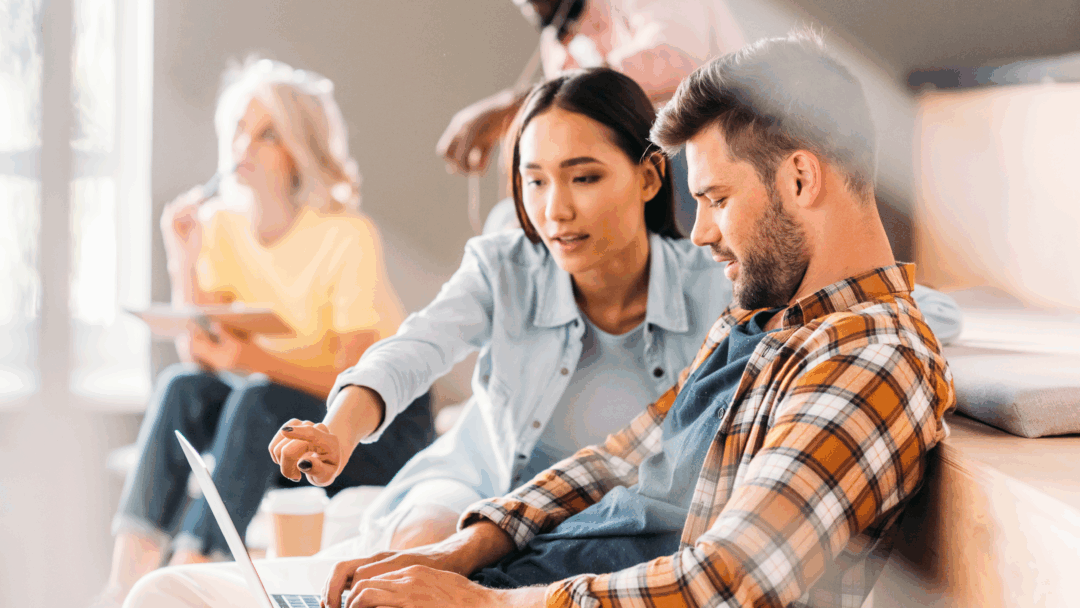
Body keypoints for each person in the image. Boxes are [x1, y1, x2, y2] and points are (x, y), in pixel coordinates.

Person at [123, 61, 960, 607]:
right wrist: (468, 549)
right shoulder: (763, 318)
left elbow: (728, 581)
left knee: (176, 601)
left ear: (802, 177)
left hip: (526, 598)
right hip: (516, 566)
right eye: (534, 182)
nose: (700, 233)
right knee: (172, 593)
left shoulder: (868, 358)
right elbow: (622, 454)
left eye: (716, 201)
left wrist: (483, 601)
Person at [95, 58, 434, 607]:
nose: (243, 146)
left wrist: (252, 358)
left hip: (373, 426)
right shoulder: (222, 229)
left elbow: (352, 380)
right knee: (182, 386)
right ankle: (121, 584)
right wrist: (181, 257)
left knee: (259, 397)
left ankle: (186, 573)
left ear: (299, 149)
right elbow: (204, 355)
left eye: (267, 134)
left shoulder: (346, 236)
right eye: (238, 130)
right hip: (287, 421)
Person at [440, 0, 748, 233]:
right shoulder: (559, 43)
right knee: (509, 223)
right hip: (662, 179)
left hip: (725, 150)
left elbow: (673, 59)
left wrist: (524, 101)